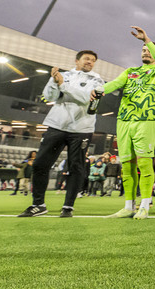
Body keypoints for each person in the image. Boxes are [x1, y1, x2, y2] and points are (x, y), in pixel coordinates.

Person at [95, 27, 155, 219]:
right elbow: (115, 83)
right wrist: (100, 90)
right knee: (127, 166)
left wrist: (147, 40)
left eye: (149, 50)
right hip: (124, 121)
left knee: (144, 164)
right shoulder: (131, 71)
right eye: (143, 50)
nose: (145, 52)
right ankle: (128, 206)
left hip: (146, 121)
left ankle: (144, 206)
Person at [19, 50, 106, 218]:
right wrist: (54, 82)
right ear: (76, 61)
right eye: (86, 58)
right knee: (40, 164)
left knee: (76, 167)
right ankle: (38, 205)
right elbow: (49, 96)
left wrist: (63, 85)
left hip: (81, 129)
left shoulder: (97, 80)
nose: (90, 62)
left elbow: (86, 98)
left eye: (93, 60)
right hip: (56, 125)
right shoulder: (63, 75)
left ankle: (68, 207)